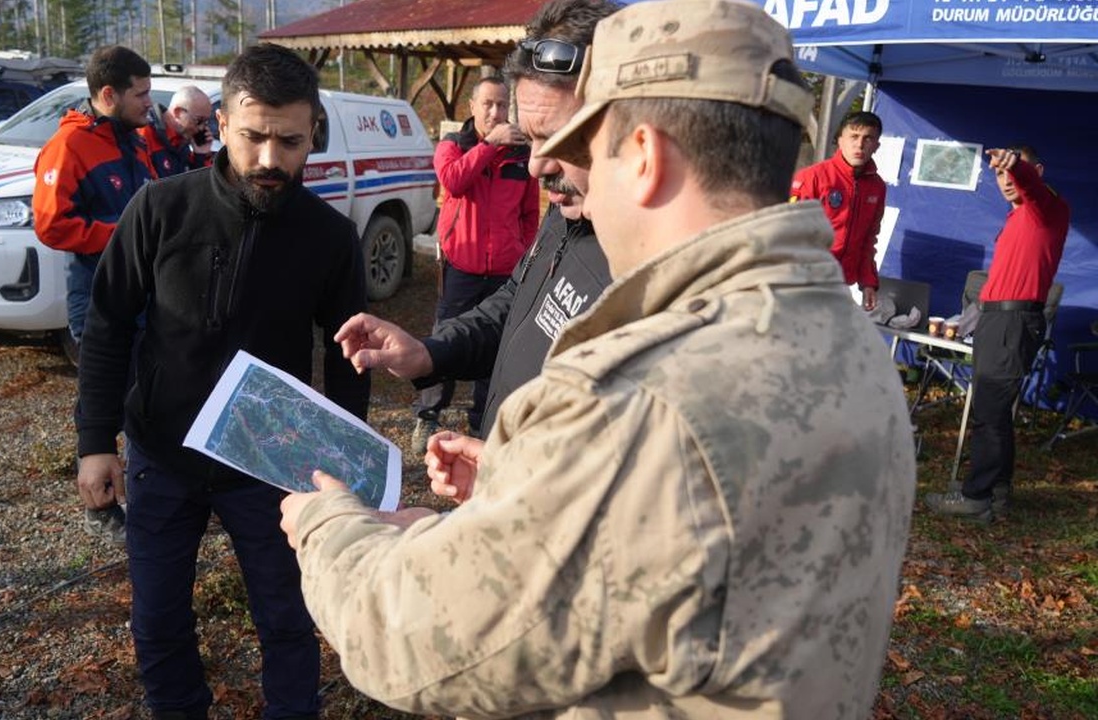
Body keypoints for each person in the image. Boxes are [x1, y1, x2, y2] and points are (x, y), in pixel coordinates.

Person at [280, 0, 916, 717]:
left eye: (584, 147)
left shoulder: (645, 397)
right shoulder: (846, 334)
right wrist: (534, 478)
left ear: (643, 156)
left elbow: (412, 639)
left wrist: (329, 525)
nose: (550, 168)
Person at [75, 44, 369, 720]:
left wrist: (343, 466)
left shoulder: (329, 238)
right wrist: (96, 440)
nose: (271, 158)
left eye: (290, 141)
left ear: (313, 133)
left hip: (270, 466)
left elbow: (349, 356)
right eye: (254, 136)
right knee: (157, 621)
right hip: (162, 454)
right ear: (223, 126)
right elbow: (110, 323)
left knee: (288, 618)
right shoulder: (158, 209)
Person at [335, 0, 617, 442]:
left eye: (558, 138)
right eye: (532, 137)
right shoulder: (562, 206)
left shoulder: (644, 265)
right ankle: (429, 411)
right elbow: (516, 304)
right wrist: (428, 353)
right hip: (465, 270)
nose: (536, 166)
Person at [926, 145, 1069, 522]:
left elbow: (1032, 186)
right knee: (994, 410)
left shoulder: (1045, 208)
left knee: (988, 412)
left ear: (1035, 170)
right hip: (997, 321)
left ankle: (976, 497)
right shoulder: (1020, 216)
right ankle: (995, 488)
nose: (1006, 180)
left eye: (1013, 173)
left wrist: (1015, 166)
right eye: (1001, 175)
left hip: (1012, 321)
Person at [415, 75, 540, 448]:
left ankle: (482, 422)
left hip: (505, 272)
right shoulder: (453, 145)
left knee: (497, 348)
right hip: (461, 269)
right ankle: (427, 416)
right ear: (472, 107)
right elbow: (453, 182)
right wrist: (487, 145)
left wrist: (521, 250)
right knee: (446, 340)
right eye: (487, 104)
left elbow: (530, 213)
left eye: (502, 104)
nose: (495, 111)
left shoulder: (521, 154)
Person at [33, 45, 157, 359]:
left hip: (142, 299)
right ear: (109, 95)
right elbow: (52, 226)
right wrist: (123, 238)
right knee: (105, 403)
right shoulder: (68, 146)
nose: (149, 103)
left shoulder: (134, 140)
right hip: (97, 303)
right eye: (141, 94)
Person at [789, 110, 886, 310]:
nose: (859, 144)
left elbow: (869, 239)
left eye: (868, 138)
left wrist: (868, 282)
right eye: (854, 136)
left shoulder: (877, 187)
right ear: (840, 140)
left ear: (876, 146)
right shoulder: (812, 177)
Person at [140, 84, 216, 178]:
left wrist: (200, 155)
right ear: (178, 113)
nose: (201, 128)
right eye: (198, 121)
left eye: (206, 122)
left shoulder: (183, 140)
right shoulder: (145, 134)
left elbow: (194, 184)